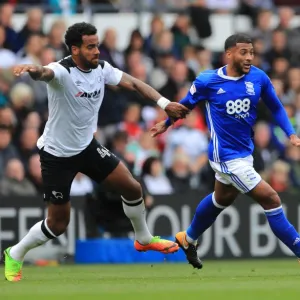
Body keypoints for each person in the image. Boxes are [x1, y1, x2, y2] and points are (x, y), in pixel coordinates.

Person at [3, 22, 189, 282]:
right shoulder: (62, 70)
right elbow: (44, 72)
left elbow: (134, 83)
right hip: (57, 154)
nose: (97, 51)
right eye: (90, 47)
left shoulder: (102, 69)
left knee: (133, 188)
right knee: (58, 223)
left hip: (86, 147)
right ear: (75, 49)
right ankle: (15, 252)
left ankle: (144, 239)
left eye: (97, 45)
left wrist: (165, 103)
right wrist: (33, 69)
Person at [151, 33, 300, 269]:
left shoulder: (259, 77)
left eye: (251, 52)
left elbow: (276, 106)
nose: (249, 57)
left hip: (244, 154)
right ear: (228, 54)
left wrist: (290, 132)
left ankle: (187, 239)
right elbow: (185, 106)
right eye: (244, 52)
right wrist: (166, 124)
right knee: (271, 199)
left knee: (222, 198)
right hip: (225, 156)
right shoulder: (207, 81)